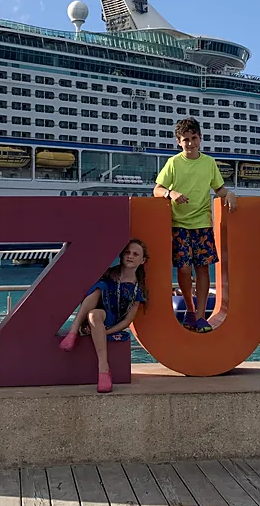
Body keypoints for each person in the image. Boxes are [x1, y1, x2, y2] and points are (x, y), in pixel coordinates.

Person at [152, 117, 237, 332]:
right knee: (183, 269)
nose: (190, 143)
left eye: (194, 138)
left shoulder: (209, 163)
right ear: (178, 142)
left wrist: (231, 194)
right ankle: (190, 310)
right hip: (178, 223)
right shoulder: (174, 163)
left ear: (200, 138)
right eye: (185, 140)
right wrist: (171, 193)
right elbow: (157, 189)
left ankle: (200, 317)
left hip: (202, 223)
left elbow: (219, 189)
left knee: (202, 270)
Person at [58, 240, 148, 393]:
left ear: (143, 260)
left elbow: (127, 321)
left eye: (135, 254)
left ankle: (103, 369)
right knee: (99, 292)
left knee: (97, 307)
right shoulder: (110, 274)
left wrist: (105, 332)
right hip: (100, 312)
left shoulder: (138, 289)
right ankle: (73, 330)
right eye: (127, 252)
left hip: (114, 320)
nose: (130, 256)